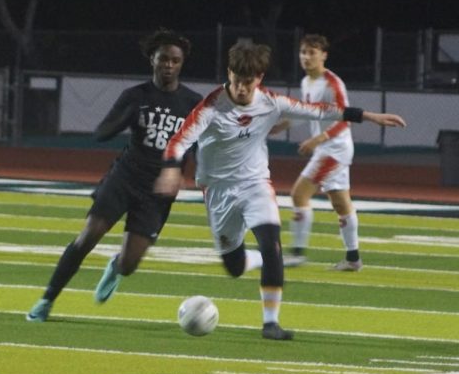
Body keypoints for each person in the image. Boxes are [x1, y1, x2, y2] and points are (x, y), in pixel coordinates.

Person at [154, 42, 406, 340]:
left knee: (270, 241)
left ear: (258, 78)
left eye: (248, 83)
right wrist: (171, 168)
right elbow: (178, 142)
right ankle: (261, 260)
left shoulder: (272, 102)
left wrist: (371, 116)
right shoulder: (211, 106)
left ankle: (270, 323)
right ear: (229, 73)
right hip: (218, 191)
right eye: (236, 81)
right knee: (234, 267)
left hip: (255, 184)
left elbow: (321, 110)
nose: (242, 89)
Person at [26, 29, 203, 322]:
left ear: (181, 64)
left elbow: (197, 145)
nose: (169, 66)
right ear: (152, 60)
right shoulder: (135, 95)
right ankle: (46, 300)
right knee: (87, 237)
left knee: (131, 264)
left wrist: (185, 174)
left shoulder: (193, 103)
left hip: (157, 192)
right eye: (163, 59)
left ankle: (116, 266)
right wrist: (127, 116)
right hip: (125, 177)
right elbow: (102, 132)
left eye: (175, 61)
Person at [271, 34, 364, 271]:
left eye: (312, 52)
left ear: (324, 55)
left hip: (334, 149)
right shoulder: (307, 82)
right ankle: (353, 259)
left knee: (299, 194)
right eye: (303, 52)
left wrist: (317, 140)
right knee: (341, 203)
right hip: (328, 148)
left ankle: (297, 254)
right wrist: (280, 126)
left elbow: (346, 120)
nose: (306, 57)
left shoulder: (333, 84)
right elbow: (307, 112)